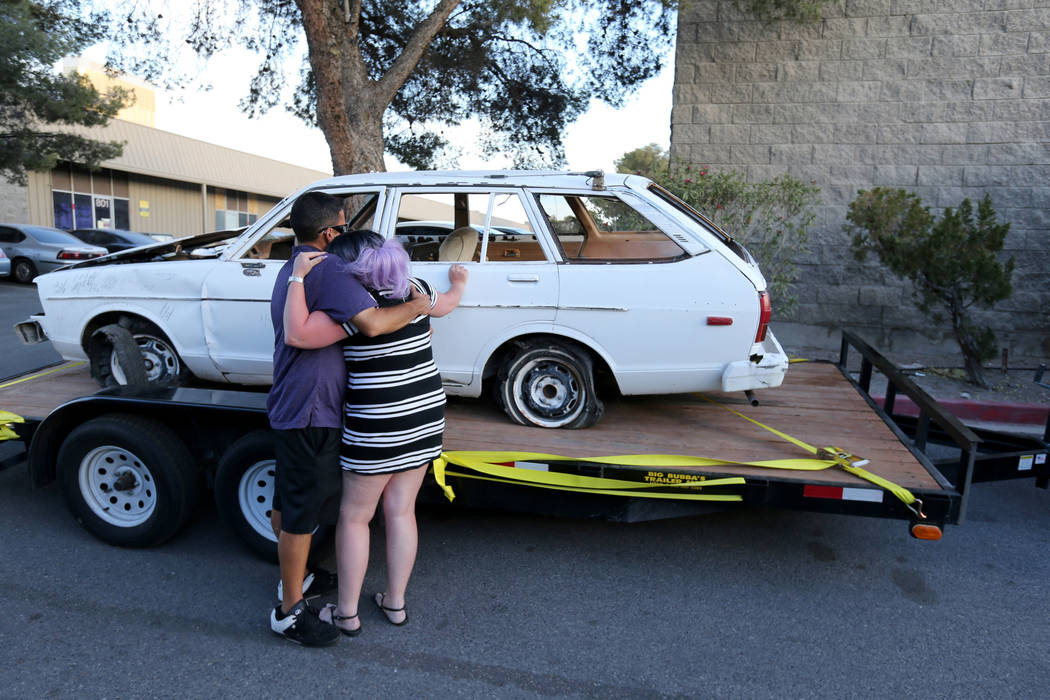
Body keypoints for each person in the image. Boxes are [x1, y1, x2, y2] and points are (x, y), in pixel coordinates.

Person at [284, 230, 467, 636]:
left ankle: (347, 613)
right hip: (425, 414)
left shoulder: (352, 312)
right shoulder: (415, 289)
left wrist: (297, 278)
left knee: (355, 517)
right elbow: (447, 306)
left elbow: (297, 334)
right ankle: (395, 604)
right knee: (402, 510)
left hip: (377, 424)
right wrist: (458, 284)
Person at [267, 195, 431, 647]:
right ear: (329, 232)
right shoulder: (330, 270)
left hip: (292, 405)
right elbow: (373, 324)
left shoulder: (296, 265)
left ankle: (294, 578)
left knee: (289, 499)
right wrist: (420, 308)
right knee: (302, 514)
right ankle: (289, 611)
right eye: (342, 225)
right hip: (312, 411)